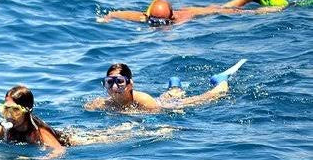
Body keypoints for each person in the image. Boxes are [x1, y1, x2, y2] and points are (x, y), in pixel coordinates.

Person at [84, 63, 229, 113]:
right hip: (159, 101)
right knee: (171, 94)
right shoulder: (106, 102)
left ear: (130, 85)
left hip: (161, 106)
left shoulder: (143, 100)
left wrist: (128, 115)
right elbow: (88, 107)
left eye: (120, 82)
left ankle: (221, 82)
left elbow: (157, 113)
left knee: (201, 99)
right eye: (109, 82)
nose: (114, 87)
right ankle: (175, 86)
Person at [98, 0, 287, 26]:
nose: (158, 26)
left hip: (207, 11)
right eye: (154, 22)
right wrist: (107, 18)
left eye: (163, 23)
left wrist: (258, 14)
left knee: (227, 10)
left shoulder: (185, 16)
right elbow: (117, 13)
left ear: (171, 18)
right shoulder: (144, 17)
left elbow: (218, 12)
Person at [0, 85, 68, 159]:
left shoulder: (38, 133)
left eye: (15, 110)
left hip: (64, 140)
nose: (9, 115)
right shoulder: (0, 129)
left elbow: (59, 150)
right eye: (6, 109)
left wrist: (42, 159)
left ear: (26, 111)